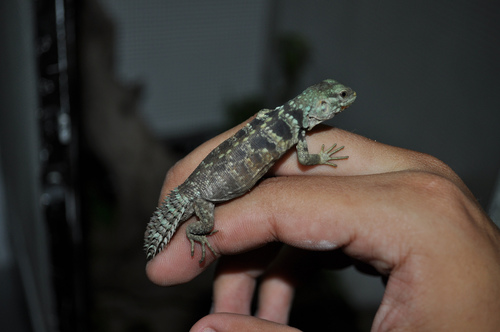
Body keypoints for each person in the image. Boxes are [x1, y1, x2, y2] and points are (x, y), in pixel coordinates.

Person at [146, 123, 500, 331]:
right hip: (198, 198)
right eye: (338, 98)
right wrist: (194, 229)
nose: (345, 100)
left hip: (195, 192)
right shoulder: (295, 133)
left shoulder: (288, 124)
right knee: (200, 228)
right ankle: (193, 233)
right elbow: (305, 157)